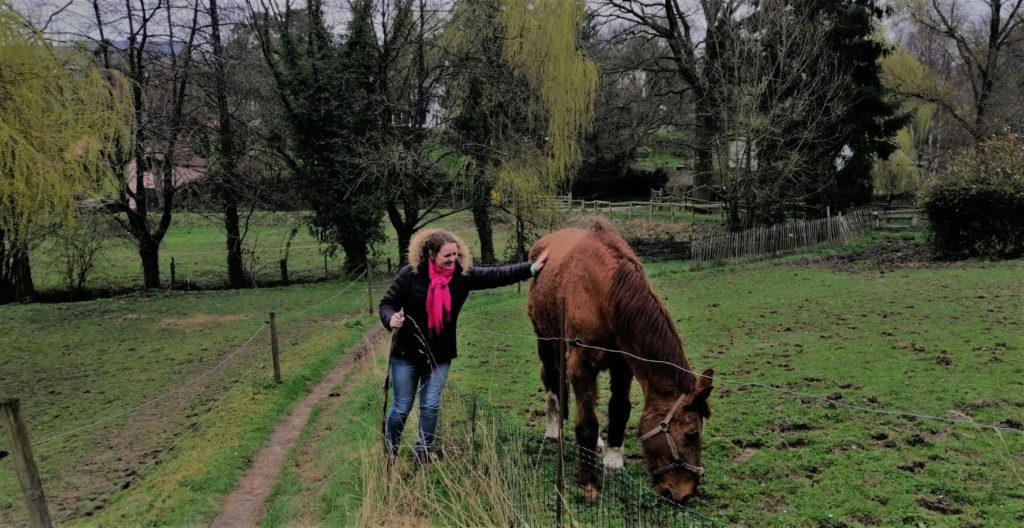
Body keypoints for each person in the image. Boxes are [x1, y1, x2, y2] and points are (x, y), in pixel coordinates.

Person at [379, 228, 547, 462]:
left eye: (455, 255)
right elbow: (387, 302)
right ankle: (389, 450)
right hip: (406, 354)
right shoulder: (410, 275)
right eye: (447, 256)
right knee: (401, 407)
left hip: (440, 355)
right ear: (431, 255)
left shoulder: (462, 276)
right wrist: (391, 318)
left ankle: (424, 455)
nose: (452, 260)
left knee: (430, 406)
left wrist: (530, 269)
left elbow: (497, 274)